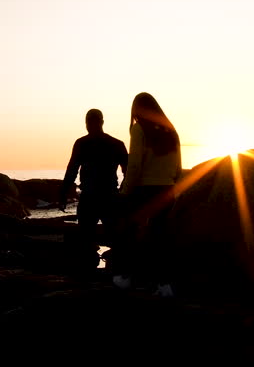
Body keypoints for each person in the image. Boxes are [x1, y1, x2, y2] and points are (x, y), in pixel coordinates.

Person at [113, 93, 182, 293]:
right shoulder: (171, 131)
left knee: (127, 232)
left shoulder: (139, 128)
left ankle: (127, 277)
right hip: (167, 190)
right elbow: (178, 167)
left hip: (145, 190)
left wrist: (125, 192)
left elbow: (134, 165)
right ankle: (164, 284)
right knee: (160, 237)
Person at [59, 109, 128, 271]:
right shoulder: (116, 144)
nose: (90, 125)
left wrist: (63, 194)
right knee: (112, 238)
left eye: (90, 122)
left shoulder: (82, 143)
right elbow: (129, 172)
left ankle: (91, 273)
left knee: (88, 238)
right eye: (89, 122)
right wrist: (124, 192)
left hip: (93, 197)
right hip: (108, 196)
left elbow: (72, 170)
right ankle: (114, 274)